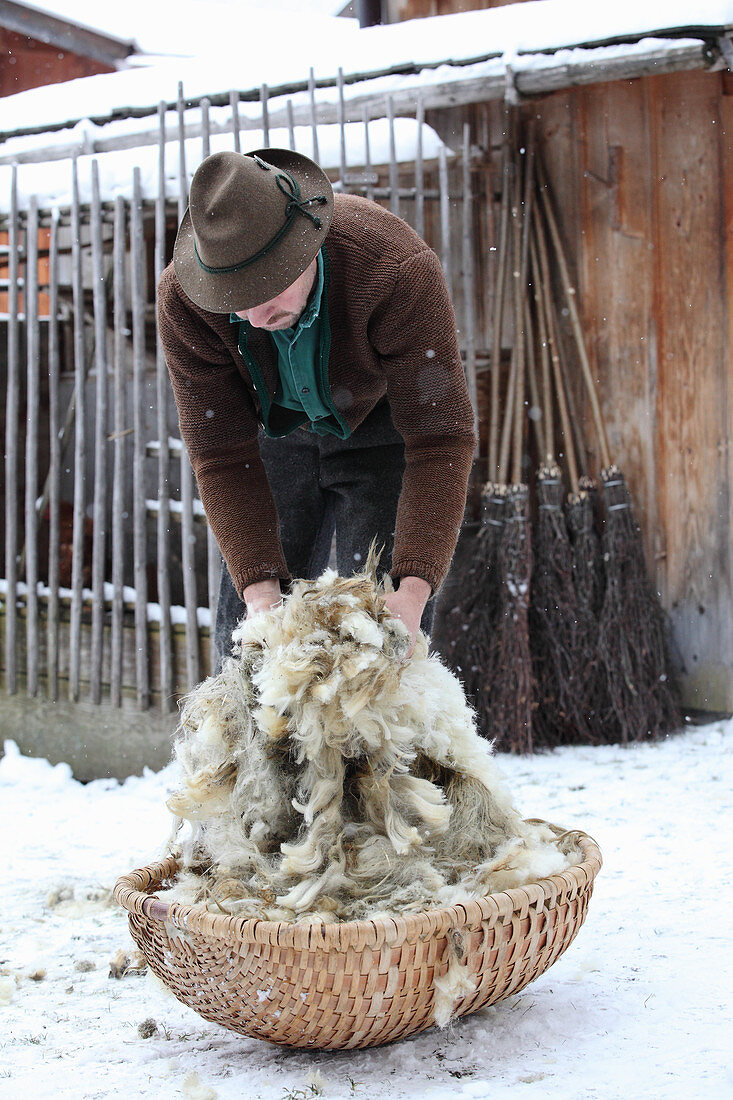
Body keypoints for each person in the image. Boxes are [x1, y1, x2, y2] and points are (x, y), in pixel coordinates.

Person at [158, 147, 476, 666]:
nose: (255, 317)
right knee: (247, 650)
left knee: (378, 645)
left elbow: (440, 437)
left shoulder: (395, 269)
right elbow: (219, 452)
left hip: (379, 432)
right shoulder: (183, 300)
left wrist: (413, 591)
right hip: (271, 440)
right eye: (233, 294)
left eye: (268, 286)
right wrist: (261, 594)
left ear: (306, 244)